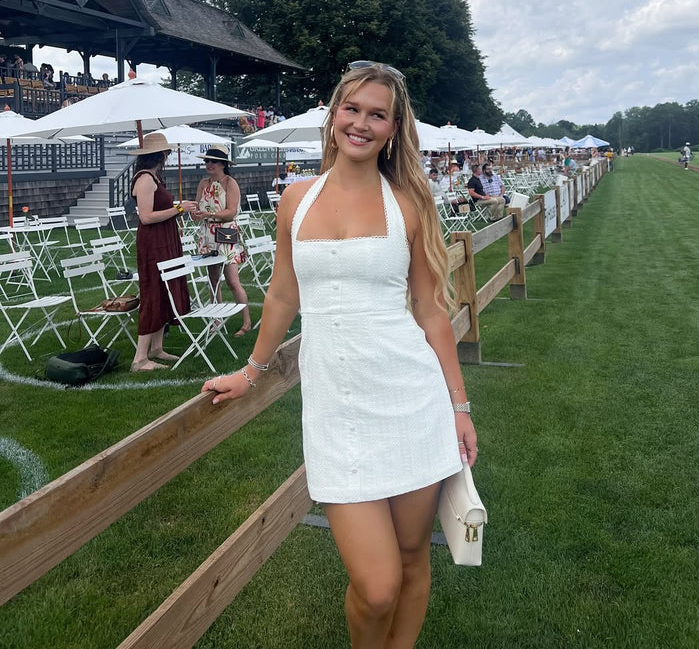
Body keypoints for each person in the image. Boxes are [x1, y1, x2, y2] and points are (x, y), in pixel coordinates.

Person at [201, 61, 477, 647]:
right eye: (352, 109)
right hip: (336, 409)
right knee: (376, 585)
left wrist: (459, 404)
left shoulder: (410, 202)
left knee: (411, 558)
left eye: (378, 114)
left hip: (412, 400)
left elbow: (430, 310)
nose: (361, 123)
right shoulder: (295, 202)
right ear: (332, 117)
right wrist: (251, 372)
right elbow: (281, 294)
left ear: (394, 128)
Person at [129, 132, 196, 371]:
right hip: (154, 242)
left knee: (164, 289)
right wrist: (179, 208)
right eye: (167, 152)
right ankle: (140, 358)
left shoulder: (154, 178)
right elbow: (146, 217)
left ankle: (156, 348)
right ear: (161, 154)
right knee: (154, 291)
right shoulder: (146, 179)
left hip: (164, 238)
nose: (168, 156)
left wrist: (179, 208)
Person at [190, 145, 252, 336]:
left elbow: (231, 211)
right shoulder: (203, 183)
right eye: (206, 161)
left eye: (213, 161)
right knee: (213, 279)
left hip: (226, 234)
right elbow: (197, 208)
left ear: (223, 164)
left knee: (233, 280)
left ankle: (246, 322)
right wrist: (195, 214)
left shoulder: (229, 183)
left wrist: (210, 214)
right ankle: (216, 320)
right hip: (207, 235)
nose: (209, 164)